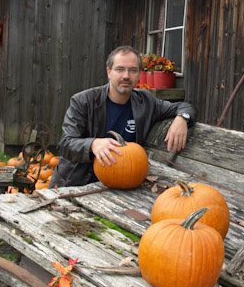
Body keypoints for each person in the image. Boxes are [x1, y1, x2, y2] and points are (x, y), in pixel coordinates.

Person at [50, 45, 197, 187]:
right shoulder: (84, 101)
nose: (126, 76)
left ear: (139, 74)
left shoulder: (146, 102)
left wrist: (182, 118)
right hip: (75, 185)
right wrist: (93, 144)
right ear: (109, 72)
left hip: (122, 185)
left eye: (133, 70)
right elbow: (65, 144)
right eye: (120, 69)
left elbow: (184, 106)